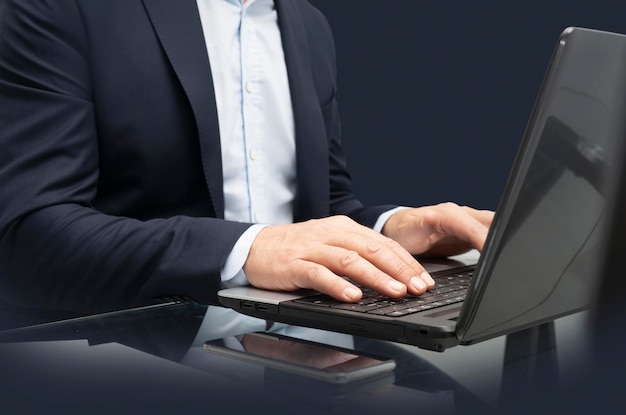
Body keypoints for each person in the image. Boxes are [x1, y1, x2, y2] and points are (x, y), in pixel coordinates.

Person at [0, 0, 493, 323]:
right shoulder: (58, 8)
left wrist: (394, 230)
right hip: (128, 354)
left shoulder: (308, 25)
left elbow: (325, 207)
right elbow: (31, 233)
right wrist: (246, 247)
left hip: (300, 350)